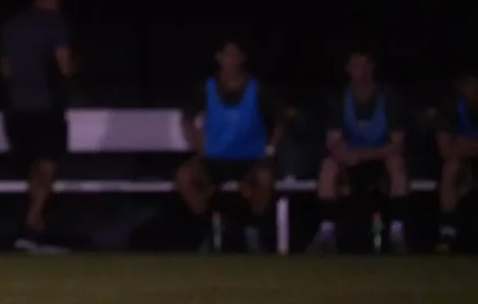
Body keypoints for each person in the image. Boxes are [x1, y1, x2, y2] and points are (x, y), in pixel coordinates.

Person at [176, 38, 287, 253]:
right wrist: (196, 141)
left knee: (265, 179)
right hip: (214, 159)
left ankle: (253, 230)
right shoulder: (206, 88)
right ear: (218, 58)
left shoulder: (258, 89)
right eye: (227, 55)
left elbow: (280, 121)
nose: (231, 60)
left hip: (249, 160)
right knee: (184, 177)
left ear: (242, 59)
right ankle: (207, 230)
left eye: (236, 55)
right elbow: (187, 118)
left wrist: (270, 150)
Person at [306, 49, 410, 254]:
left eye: (365, 65)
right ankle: (326, 232)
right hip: (349, 159)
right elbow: (333, 141)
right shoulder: (338, 99)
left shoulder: (389, 98)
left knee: (397, 163)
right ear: (348, 70)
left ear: (372, 68)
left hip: (379, 158)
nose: (360, 71)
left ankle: (398, 233)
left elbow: (397, 143)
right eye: (355, 66)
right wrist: (347, 156)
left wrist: (364, 155)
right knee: (328, 165)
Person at [0, 0, 75, 252]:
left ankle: (33, 231)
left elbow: (6, 69)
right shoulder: (54, 23)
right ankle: (31, 227)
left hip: (16, 108)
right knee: (46, 166)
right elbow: (64, 66)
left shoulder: (12, 25)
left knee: (35, 168)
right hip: (45, 106)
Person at [434, 66, 478, 253]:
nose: (473, 88)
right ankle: (448, 232)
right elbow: (446, 149)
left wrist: (463, 143)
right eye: (468, 84)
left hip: (467, 155)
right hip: (461, 160)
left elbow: (456, 144)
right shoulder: (449, 106)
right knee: (450, 168)